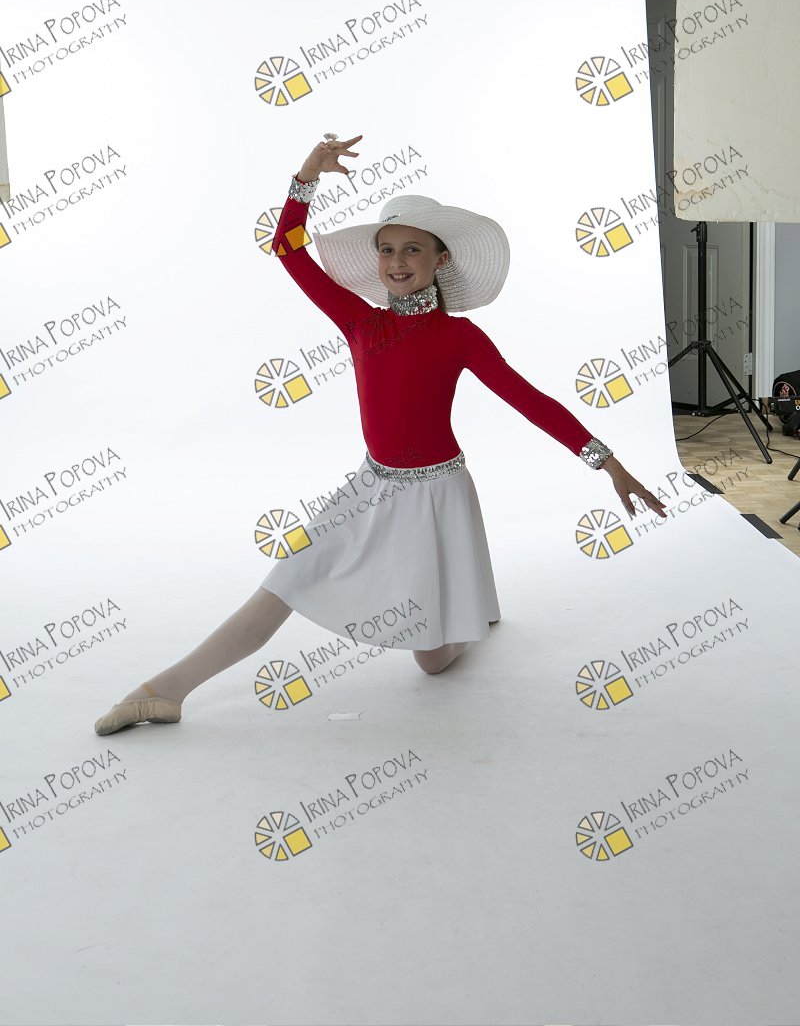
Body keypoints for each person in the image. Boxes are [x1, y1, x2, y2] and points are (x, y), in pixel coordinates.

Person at [94, 132, 667, 736]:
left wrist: (608, 462)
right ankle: (162, 692)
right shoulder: (361, 322)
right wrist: (306, 176)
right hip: (370, 487)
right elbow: (287, 249)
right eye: (387, 249)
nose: (397, 261)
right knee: (285, 580)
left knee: (432, 663)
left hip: (436, 495)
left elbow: (530, 401)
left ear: (440, 259)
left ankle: (468, 617)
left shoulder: (460, 337)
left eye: (412, 249)